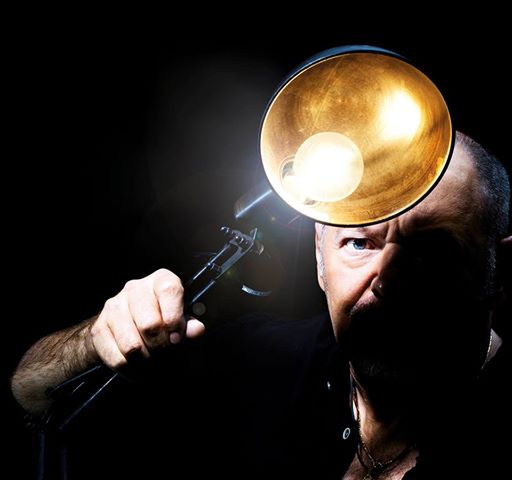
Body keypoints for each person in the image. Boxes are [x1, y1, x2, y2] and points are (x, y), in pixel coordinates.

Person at [10, 132, 511, 479]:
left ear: (499, 267)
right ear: (319, 258)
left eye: (433, 250)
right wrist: (100, 337)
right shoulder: (265, 360)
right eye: (359, 242)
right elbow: (30, 390)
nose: (388, 279)